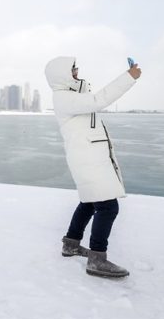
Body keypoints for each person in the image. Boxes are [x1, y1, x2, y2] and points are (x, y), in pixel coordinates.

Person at [45, 56, 141, 278]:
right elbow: (99, 100)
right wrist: (128, 77)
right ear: (62, 75)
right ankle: (97, 259)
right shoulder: (64, 98)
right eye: (72, 69)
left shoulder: (74, 95)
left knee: (89, 202)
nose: (77, 71)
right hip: (87, 159)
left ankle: (70, 244)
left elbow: (93, 102)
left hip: (89, 157)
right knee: (108, 207)